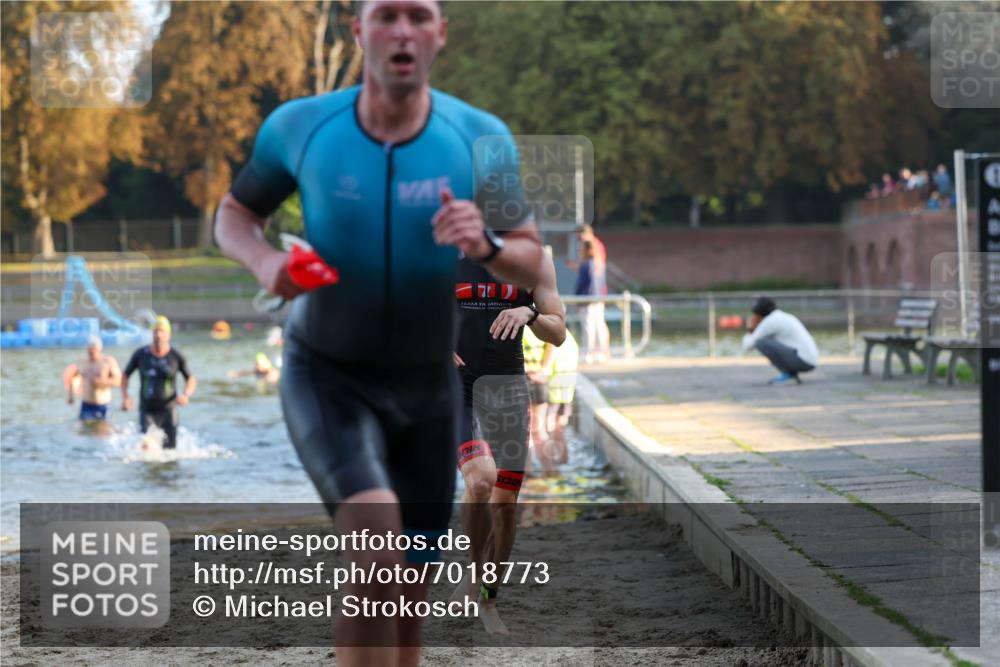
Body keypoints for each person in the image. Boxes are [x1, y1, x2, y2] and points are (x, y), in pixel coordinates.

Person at [214, 2, 546, 664]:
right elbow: (234, 214)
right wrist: (267, 263)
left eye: (418, 16)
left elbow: (531, 254)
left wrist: (484, 243)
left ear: (441, 34)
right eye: (385, 15)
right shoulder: (303, 127)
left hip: (428, 390)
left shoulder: (478, 137)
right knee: (375, 553)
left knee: (407, 595)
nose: (402, 31)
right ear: (357, 30)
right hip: (329, 376)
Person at [450, 251, 564, 635]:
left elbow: (559, 333)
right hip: (457, 386)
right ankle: (472, 566)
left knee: (504, 503)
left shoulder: (532, 262)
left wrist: (530, 314)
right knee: (480, 479)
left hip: (509, 389)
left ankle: (488, 598)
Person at [121, 316, 197, 449]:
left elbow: (190, 378)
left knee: (169, 451)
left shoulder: (176, 356)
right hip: (147, 409)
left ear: (168, 334)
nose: (158, 335)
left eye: (162, 331)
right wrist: (125, 397)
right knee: (146, 446)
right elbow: (124, 376)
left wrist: (186, 395)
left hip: (169, 409)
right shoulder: (141, 354)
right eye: (155, 331)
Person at [741, 297, 819, 385]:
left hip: (804, 361)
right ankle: (790, 374)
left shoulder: (770, 321)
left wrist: (750, 329)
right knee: (766, 340)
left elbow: (747, 346)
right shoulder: (782, 316)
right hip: (809, 359)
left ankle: (789, 374)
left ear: (759, 314)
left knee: (761, 342)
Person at [66, 335, 121, 425]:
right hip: (86, 404)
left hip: (103, 405)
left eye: (94, 349)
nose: (91, 351)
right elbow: (74, 377)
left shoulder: (108, 361)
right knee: (85, 431)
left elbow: (119, 381)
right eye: (89, 348)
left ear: (99, 349)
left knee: (103, 432)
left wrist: (103, 382)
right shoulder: (82, 361)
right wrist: (71, 395)